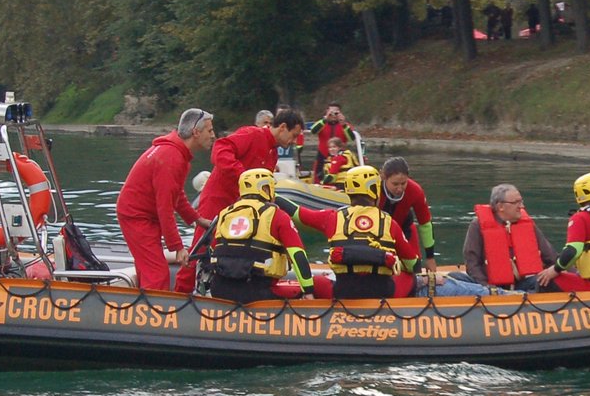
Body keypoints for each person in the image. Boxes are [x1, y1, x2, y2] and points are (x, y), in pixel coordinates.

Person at [174, 107, 304, 294]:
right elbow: (220, 149)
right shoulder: (252, 134)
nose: (293, 142)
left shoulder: (273, 152)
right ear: (282, 127)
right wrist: (243, 176)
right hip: (219, 198)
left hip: (242, 207)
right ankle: (181, 292)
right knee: (202, 243)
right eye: (293, 136)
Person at [283, 164, 419, 300]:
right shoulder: (390, 223)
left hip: (344, 291)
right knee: (409, 276)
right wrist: (394, 263)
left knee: (317, 281)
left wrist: (272, 194)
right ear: (375, 189)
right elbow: (412, 264)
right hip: (382, 292)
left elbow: (297, 213)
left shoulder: (332, 218)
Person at [116, 107, 214, 291]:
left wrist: (197, 219)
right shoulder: (171, 158)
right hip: (136, 216)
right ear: (196, 132)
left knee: (150, 269)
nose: (213, 135)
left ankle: (143, 305)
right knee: (157, 274)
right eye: (210, 130)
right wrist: (178, 247)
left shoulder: (177, 154)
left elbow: (176, 195)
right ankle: (153, 315)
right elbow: (165, 208)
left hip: (145, 216)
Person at [199, 168, 319, 302]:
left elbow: (213, 251)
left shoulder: (225, 214)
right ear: (266, 189)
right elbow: (298, 255)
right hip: (257, 292)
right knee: (322, 285)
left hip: (220, 290)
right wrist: (308, 291)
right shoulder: (277, 216)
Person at [439, 183, 558, 296]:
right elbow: (472, 262)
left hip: (520, 285)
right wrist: (487, 289)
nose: (521, 206)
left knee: (550, 279)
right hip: (485, 286)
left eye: (521, 201)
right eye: (516, 202)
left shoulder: (527, 224)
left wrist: (558, 270)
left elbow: (550, 256)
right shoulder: (477, 226)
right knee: (453, 278)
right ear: (500, 206)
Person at [378, 157, 439, 278]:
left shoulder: (415, 191)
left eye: (403, 183)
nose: (400, 189)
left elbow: (425, 223)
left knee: (414, 267)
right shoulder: (373, 189)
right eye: (395, 184)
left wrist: (430, 257)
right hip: (378, 233)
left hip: (404, 230)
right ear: (384, 177)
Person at [309, 102, 355, 183]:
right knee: (318, 177)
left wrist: (343, 124)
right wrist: (325, 119)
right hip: (322, 156)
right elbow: (313, 131)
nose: (333, 115)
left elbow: (352, 138)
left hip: (340, 157)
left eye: (336, 112)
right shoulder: (322, 123)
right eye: (331, 112)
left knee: (336, 176)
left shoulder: (345, 125)